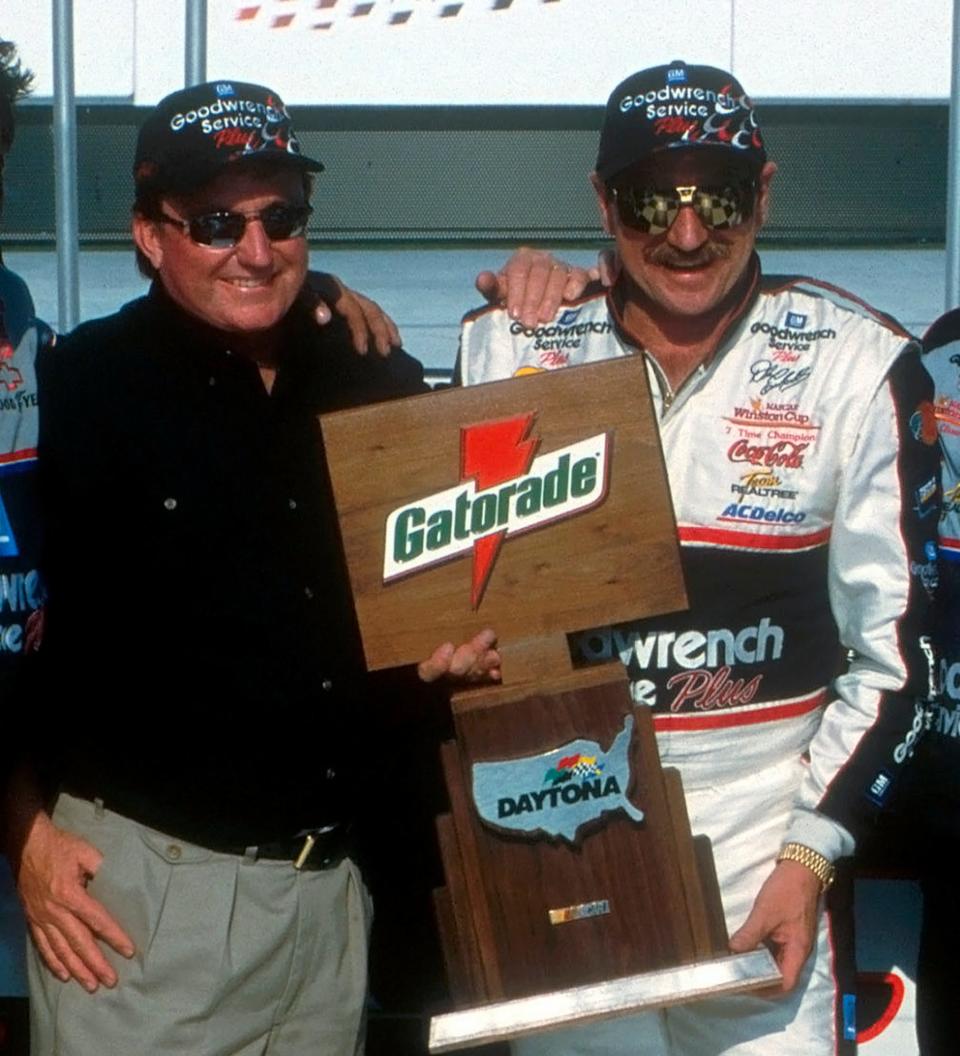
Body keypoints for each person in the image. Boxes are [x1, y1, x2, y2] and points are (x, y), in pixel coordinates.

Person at [2, 79, 498, 1056]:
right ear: (151, 235)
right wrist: (20, 835)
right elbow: (11, 635)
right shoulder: (76, 390)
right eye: (219, 222)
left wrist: (446, 664)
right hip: (139, 911)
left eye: (283, 219)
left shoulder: (376, 375)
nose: (257, 250)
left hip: (331, 904)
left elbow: (415, 609)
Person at [458, 60, 940, 1055]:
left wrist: (810, 856)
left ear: (763, 192)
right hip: (564, 854)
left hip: (767, 875)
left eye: (718, 195)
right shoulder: (506, 349)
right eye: (650, 200)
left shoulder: (859, 364)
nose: (686, 235)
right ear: (603, 201)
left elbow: (899, 661)